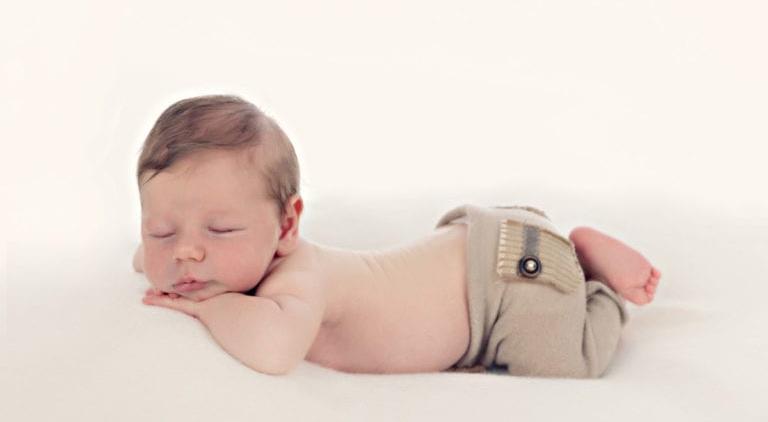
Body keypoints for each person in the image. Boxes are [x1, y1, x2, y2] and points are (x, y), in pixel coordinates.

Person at [133, 95, 661, 377]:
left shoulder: (300, 280)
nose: (186, 252)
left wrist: (208, 306)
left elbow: (274, 351)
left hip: (510, 285)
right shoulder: (205, 252)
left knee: (568, 366)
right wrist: (156, 255)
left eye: (220, 230)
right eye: (161, 231)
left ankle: (597, 282)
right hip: (476, 238)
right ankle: (568, 252)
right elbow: (156, 256)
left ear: (287, 226)